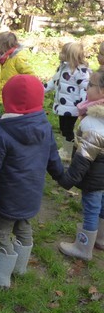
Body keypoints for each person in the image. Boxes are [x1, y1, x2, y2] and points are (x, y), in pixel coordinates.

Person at [0, 75, 63, 288]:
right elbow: (53, 158)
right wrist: (63, 177)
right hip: (32, 193)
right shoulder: (45, 126)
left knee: (1, 231)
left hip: (7, 196)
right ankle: (19, 266)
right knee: (23, 225)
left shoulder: (2, 131)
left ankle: (0, 275)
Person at [57, 70, 104, 261]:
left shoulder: (93, 124)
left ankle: (83, 248)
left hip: (94, 178)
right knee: (102, 206)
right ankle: (100, 239)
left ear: (102, 91)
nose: (87, 87)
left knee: (91, 209)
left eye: (91, 85)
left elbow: (83, 159)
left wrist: (67, 179)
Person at [44, 42, 90, 162]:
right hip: (62, 106)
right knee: (63, 128)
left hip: (73, 108)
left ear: (71, 55)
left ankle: (68, 152)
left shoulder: (80, 72)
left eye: (63, 52)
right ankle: (66, 148)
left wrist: (82, 105)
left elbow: (84, 89)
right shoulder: (63, 68)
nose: (60, 54)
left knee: (68, 129)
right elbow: (54, 82)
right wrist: (41, 89)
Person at [0, 31, 34, 105]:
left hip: (14, 95)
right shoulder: (3, 57)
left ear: (3, 46)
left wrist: (22, 87)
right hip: (3, 95)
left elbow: (30, 74)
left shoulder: (17, 58)